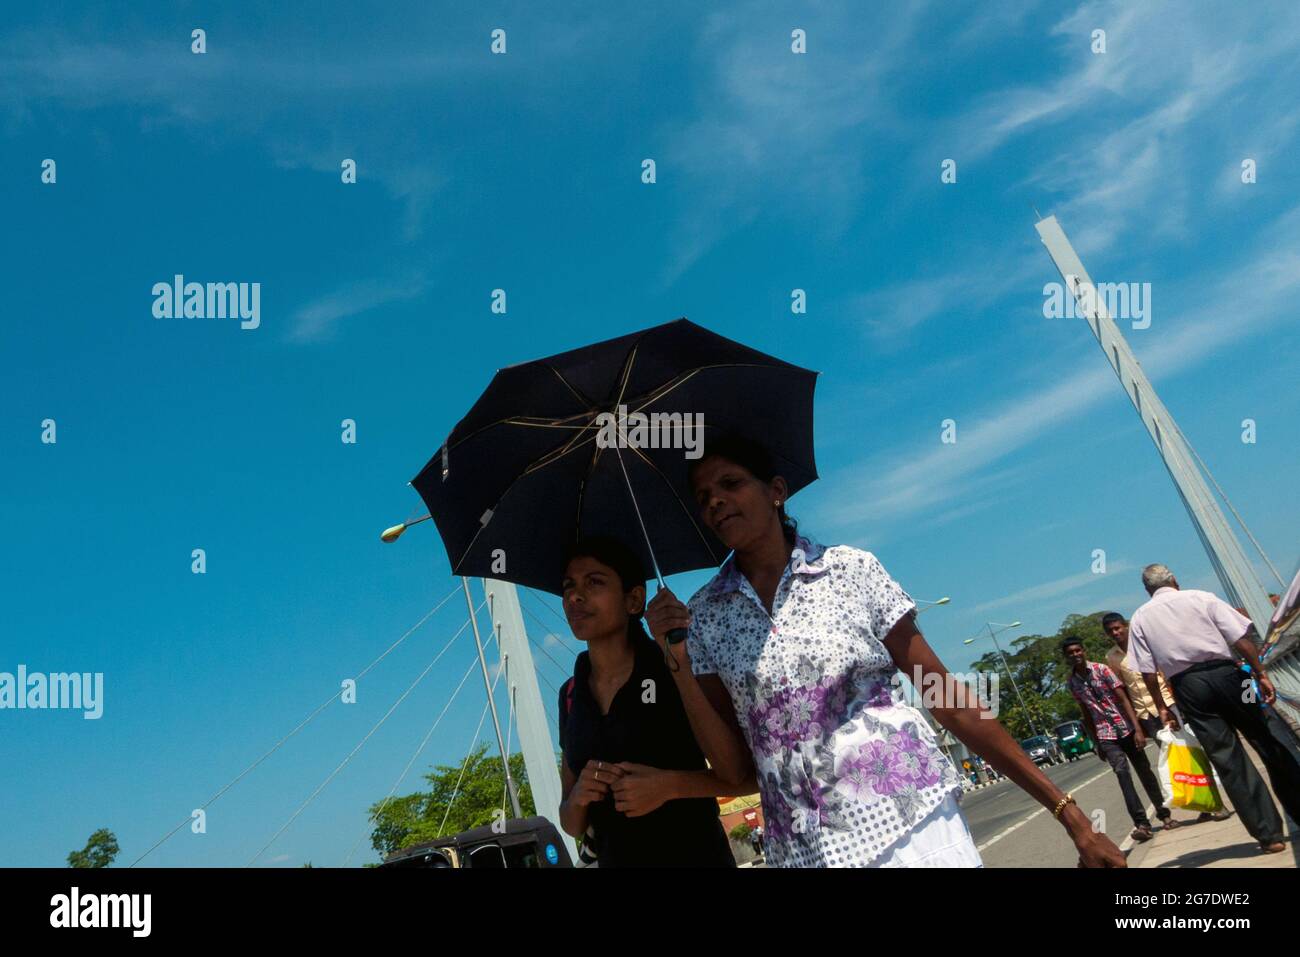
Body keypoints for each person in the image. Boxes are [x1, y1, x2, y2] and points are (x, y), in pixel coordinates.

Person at [645, 433, 1126, 867]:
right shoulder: (703, 615)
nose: (716, 501)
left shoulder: (850, 570)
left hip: (907, 823)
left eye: (730, 483)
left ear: (776, 491)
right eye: (704, 497)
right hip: (801, 851)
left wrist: (1069, 814)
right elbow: (733, 770)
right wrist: (677, 661)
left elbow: (947, 698)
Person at [555, 536, 739, 867]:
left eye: (593, 582)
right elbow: (571, 823)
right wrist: (579, 798)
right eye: (568, 586)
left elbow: (742, 775)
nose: (574, 596)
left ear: (634, 599)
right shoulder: (570, 694)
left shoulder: (677, 665)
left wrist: (668, 786)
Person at [1128, 564, 1300, 854]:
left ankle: (1269, 836)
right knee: (1266, 736)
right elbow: (1240, 640)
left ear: (1148, 590)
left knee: (1229, 759)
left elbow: (1146, 671)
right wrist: (1261, 674)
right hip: (1232, 678)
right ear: (1175, 580)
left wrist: (1162, 706)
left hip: (1189, 688)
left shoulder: (1141, 617)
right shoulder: (1201, 597)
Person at [1103, 610, 1231, 825]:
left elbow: (1165, 673)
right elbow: (1123, 689)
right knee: (1176, 760)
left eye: (1118, 628)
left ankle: (1219, 803)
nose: (1115, 633)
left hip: (1166, 705)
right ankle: (1202, 803)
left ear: (1126, 626)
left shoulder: (1144, 645)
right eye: (1110, 631)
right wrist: (1136, 722)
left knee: (1192, 752)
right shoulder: (1112, 658)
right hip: (1145, 713)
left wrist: (1175, 702)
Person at [1062, 635, 1176, 841]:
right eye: (1071, 653)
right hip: (1105, 734)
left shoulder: (1102, 670)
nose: (1075, 655)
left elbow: (1123, 699)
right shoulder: (1072, 683)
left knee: (1144, 771)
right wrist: (1095, 742)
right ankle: (1141, 823)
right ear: (1066, 657)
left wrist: (1138, 730)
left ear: (1083, 651)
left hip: (1127, 728)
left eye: (1078, 651)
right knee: (1122, 774)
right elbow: (1085, 712)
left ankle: (1164, 814)